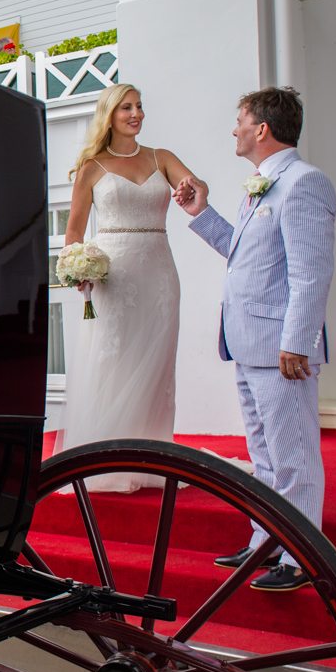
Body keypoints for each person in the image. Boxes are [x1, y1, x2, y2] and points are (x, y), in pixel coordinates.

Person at [174, 86, 336, 593]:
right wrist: (202, 211)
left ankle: (302, 557)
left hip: (281, 348)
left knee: (294, 456)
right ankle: (266, 541)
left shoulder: (305, 183)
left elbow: (311, 273)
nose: (234, 129)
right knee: (264, 455)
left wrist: (297, 342)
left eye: (239, 120)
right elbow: (242, 254)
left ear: (262, 129)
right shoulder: (259, 186)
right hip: (247, 343)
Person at [60, 83, 204, 492]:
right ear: (110, 114)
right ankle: (105, 456)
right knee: (113, 359)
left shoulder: (162, 158)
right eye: (126, 107)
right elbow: (73, 230)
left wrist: (195, 191)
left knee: (156, 363)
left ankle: (151, 457)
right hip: (113, 275)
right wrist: (76, 268)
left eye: (139, 106)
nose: (136, 113)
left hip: (159, 271)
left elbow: (197, 186)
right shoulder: (92, 166)